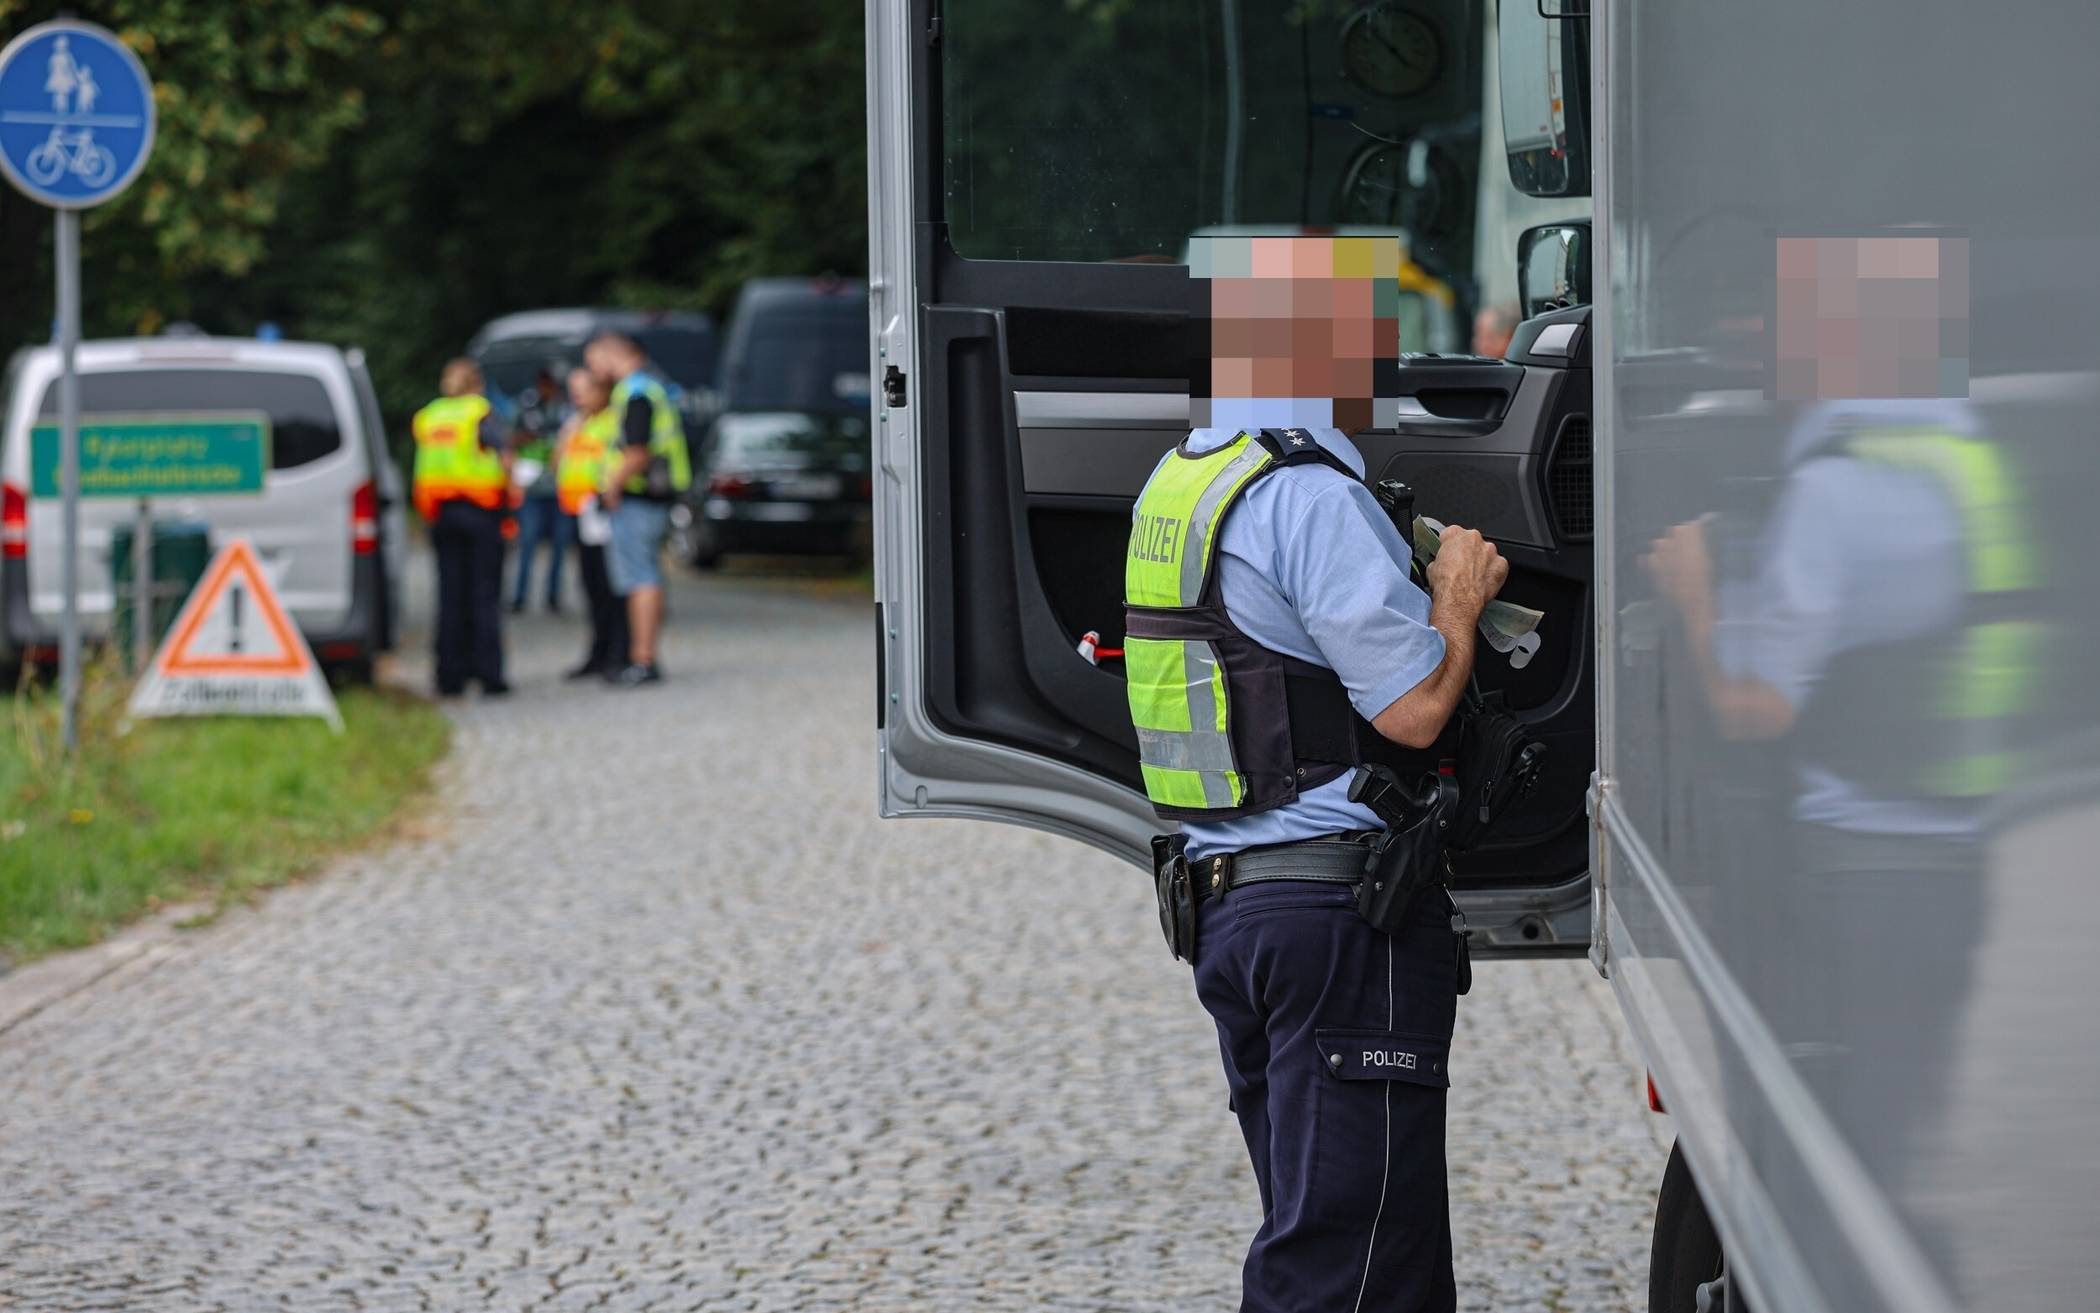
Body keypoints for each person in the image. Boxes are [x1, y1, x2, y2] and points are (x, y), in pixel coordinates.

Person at [1134, 236, 1506, 1312]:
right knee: (1350, 1270)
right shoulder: (1307, 496)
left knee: (1338, 1234)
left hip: (1233, 912)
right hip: (1337, 918)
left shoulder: (1184, 480)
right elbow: (1414, 704)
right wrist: (1460, 594)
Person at [585, 331, 691, 688]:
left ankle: (642, 659)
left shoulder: (636, 393)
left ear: (613, 353)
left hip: (639, 498)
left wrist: (612, 486)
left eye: (593, 359)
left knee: (640, 578)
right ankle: (644, 657)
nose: (592, 369)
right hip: (651, 497)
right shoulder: (650, 388)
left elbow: (637, 452)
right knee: (645, 575)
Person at [411, 358, 512, 697]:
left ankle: (448, 676)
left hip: (441, 514)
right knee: (483, 594)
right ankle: (489, 674)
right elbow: (504, 455)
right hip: (480, 511)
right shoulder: (479, 412)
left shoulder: (429, 416)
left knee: (450, 595)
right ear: (477, 384)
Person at [553, 367, 629, 679]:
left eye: (584, 388)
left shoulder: (612, 422)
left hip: (603, 512)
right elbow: (558, 463)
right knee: (591, 585)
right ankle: (598, 651)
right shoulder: (577, 423)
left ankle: (617, 652)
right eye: (573, 389)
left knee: (611, 585)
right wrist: (566, 436)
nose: (577, 395)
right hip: (578, 514)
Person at [509, 367, 572, 614]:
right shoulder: (525, 407)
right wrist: (529, 437)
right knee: (528, 541)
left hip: (560, 486)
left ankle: (553, 597)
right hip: (533, 485)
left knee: (559, 545)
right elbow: (510, 439)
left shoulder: (568, 408)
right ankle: (520, 597)